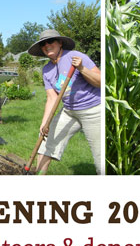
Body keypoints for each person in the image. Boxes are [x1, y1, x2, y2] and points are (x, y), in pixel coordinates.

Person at [28, 29, 103, 175]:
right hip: (69, 111)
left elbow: (100, 82)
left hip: (93, 110)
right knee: (45, 139)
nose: (47, 45)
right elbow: (52, 97)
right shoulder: (47, 69)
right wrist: (44, 124)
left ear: (60, 42)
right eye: (43, 43)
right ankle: (38, 178)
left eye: (51, 41)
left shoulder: (75, 57)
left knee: (100, 156)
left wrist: (81, 68)